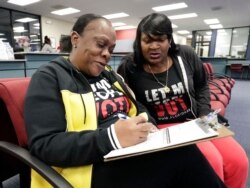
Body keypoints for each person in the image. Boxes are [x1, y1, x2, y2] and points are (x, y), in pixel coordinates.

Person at [24, 13, 226, 188]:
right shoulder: (50, 76)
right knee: (184, 159)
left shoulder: (109, 74)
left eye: (110, 49)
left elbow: (137, 106)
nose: (106, 54)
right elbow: (44, 145)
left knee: (183, 156)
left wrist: (149, 126)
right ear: (75, 39)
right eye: (101, 45)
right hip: (89, 168)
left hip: (128, 152)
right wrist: (112, 137)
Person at [117, 13, 248, 188]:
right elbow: (129, 101)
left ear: (169, 40)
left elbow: (202, 85)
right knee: (211, 162)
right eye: (147, 41)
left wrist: (204, 113)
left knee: (239, 160)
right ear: (139, 42)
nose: (154, 46)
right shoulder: (129, 66)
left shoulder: (185, 55)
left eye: (160, 40)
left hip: (198, 118)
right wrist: (148, 122)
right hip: (163, 126)